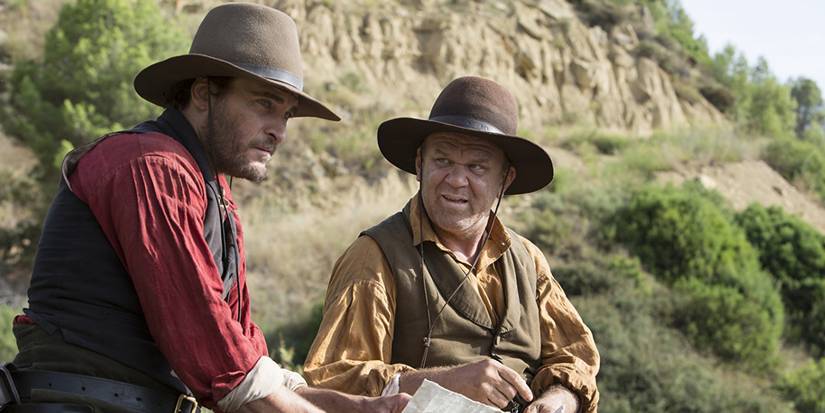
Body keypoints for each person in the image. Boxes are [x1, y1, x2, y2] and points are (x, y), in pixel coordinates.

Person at [0, 3, 409, 413]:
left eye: (286, 115)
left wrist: (361, 407)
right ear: (202, 94)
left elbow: (246, 360)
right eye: (264, 104)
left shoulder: (213, 194)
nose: (279, 132)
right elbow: (224, 365)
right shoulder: (151, 167)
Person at [303, 76, 600, 412]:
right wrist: (442, 382)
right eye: (443, 161)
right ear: (420, 165)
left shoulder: (528, 261)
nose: (457, 180)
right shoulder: (374, 256)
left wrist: (561, 398)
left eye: (477, 167)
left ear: (505, 180)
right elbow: (334, 380)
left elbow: (575, 357)